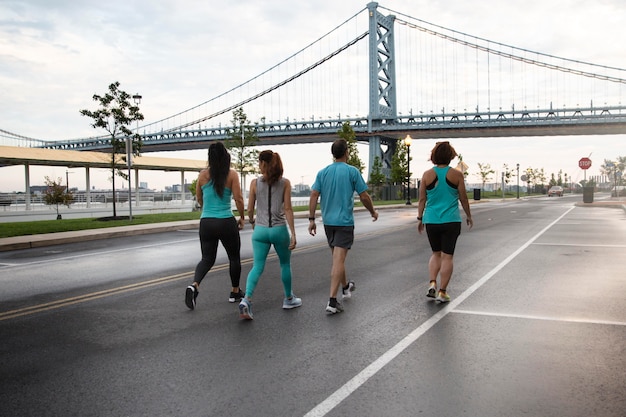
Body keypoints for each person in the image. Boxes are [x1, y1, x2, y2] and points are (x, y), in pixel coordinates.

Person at [308, 138, 378, 314]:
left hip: (328, 223)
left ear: (333, 154)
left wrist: (311, 219)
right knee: (338, 260)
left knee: (338, 259)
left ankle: (346, 287)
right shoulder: (352, 172)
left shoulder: (322, 173)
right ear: (347, 152)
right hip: (344, 223)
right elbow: (364, 196)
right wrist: (372, 212)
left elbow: (314, 195)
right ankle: (332, 301)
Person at [238, 150, 301, 320]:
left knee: (257, 266)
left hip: (260, 230)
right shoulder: (285, 183)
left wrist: (251, 221)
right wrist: (293, 233)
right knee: (285, 264)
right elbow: (287, 209)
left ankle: (247, 299)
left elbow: (250, 209)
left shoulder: (254, 183)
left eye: (259, 162)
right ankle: (289, 299)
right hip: (279, 229)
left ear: (263, 164)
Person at [185, 142, 245, 310]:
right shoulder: (232, 174)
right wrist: (242, 217)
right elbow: (239, 199)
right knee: (234, 258)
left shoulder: (202, 175)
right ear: (226, 156)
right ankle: (234, 292)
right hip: (226, 221)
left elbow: (199, 198)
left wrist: (208, 210)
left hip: (206, 222)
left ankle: (194, 285)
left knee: (207, 259)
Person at [416, 141, 473, 303]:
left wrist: (420, 218)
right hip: (451, 221)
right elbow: (463, 198)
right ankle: (442, 291)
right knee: (447, 257)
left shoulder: (426, 175)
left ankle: (432, 282)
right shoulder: (457, 175)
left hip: (431, 220)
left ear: (434, 156)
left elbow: (422, 199)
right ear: (450, 156)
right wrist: (468, 215)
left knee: (436, 253)